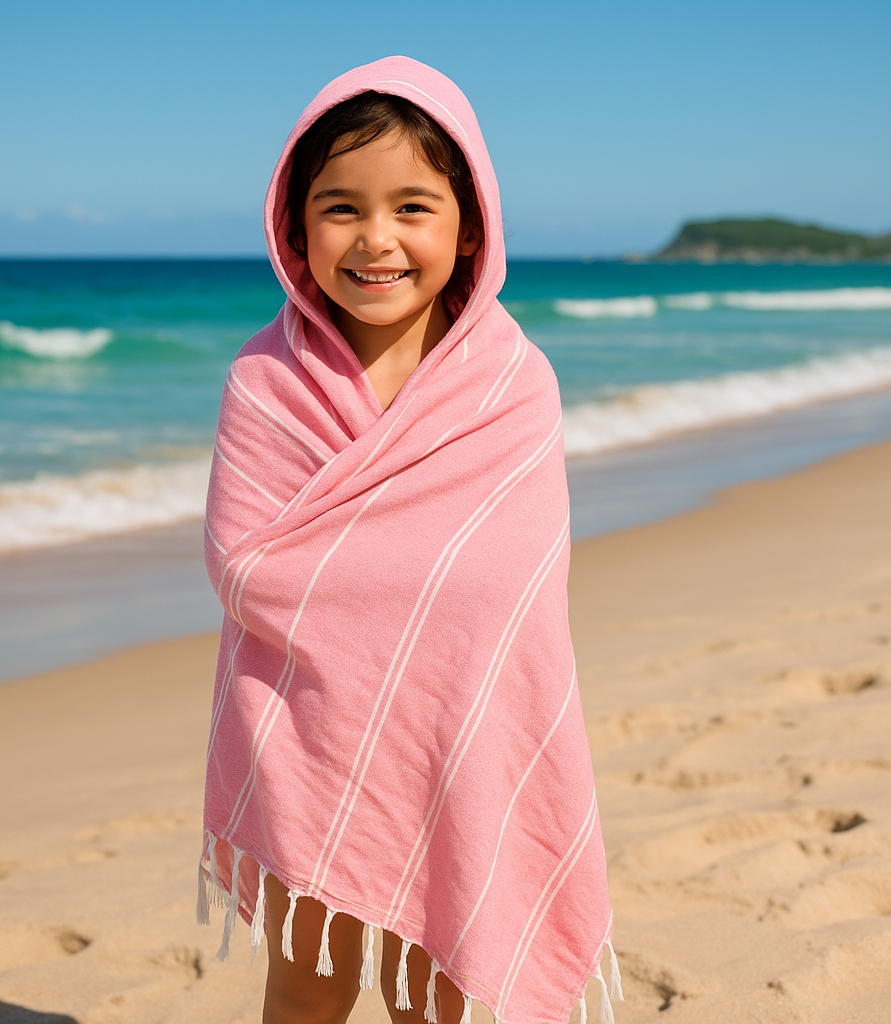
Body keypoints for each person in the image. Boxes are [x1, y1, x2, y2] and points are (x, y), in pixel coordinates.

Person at [198, 57, 621, 1024]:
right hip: (311, 740)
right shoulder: (265, 385)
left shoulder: (513, 388)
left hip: (462, 737)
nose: (376, 240)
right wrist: (393, 587)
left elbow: (511, 587)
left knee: (443, 990)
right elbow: (250, 566)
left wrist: (384, 590)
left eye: (413, 208)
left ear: (469, 225)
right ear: (294, 229)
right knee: (308, 980)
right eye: (340, 207)